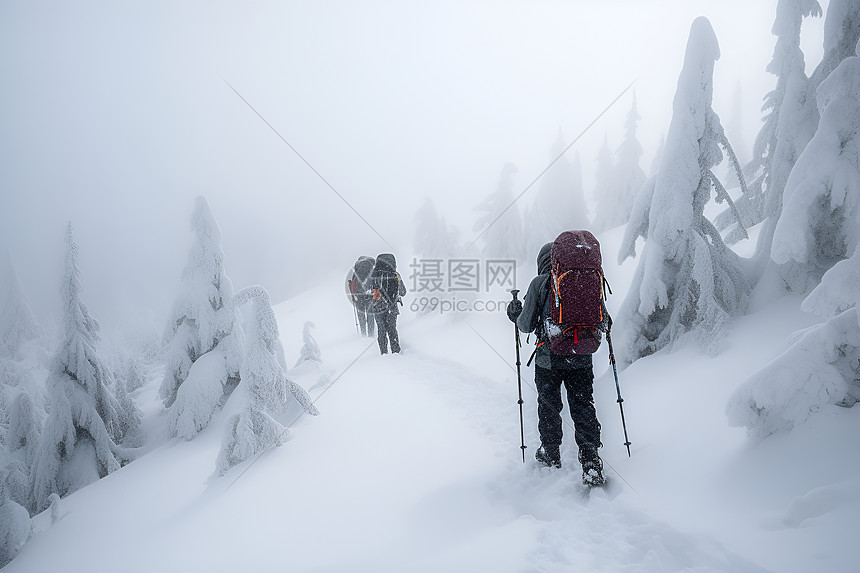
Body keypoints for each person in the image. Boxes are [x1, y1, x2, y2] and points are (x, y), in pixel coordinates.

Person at [506, 242, 606, 485]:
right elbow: (601, 316)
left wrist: (514, 313)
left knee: (550, 405)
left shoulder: (539, 284)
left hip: (548, 358)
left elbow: (525, 324)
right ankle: (591, 458)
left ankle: (550, 453)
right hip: (582, 355)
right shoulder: (590, 279)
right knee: (583, 404)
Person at [370, 253, 407, 354]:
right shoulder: (395, 275)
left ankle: (384, 353)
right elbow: (403, 292)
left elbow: (370, 292)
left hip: (378, 307)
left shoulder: (374, 275)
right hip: (392, 307)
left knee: (381, 330)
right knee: (392, 329)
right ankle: (396, 351)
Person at [347, 256, 376, 337]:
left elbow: (352, 285)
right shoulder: (371, 270)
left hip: (359, 297)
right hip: (369, 296)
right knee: (370, 315)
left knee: (361, 316)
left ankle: (363, 334)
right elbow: (374, 283)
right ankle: (371, 334)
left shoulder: (356, 271)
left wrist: (353, 296)